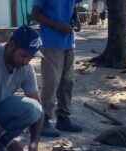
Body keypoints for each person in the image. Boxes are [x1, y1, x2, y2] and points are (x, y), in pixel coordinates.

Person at [32, 0, 83, 137]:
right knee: (51, 82)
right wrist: (56, 25)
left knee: (68, 82)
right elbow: (35, 14)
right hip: (51, 42)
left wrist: (75, 18)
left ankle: (63, 118)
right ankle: (44, 121)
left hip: (68, 41)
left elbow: (73, 6)